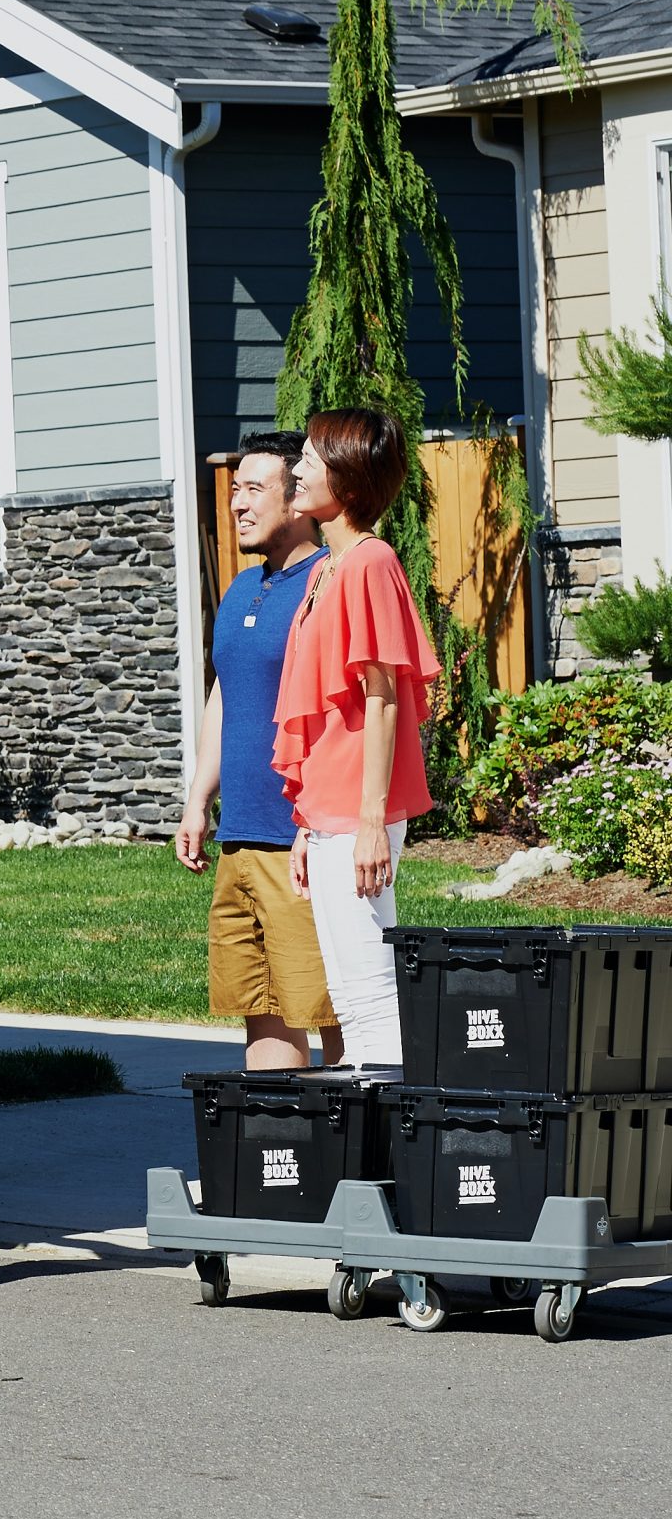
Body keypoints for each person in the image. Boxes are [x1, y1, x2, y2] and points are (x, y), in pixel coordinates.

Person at [274, 407, 441, 1071]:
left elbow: (383, 694)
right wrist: (306, 823)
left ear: (344, 479)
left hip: (361, 808)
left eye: (310, 459)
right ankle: (363, 1146)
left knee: (370, 989)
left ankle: (387, 1147)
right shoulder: (323, 571)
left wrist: (373, 821)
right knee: (346, 989)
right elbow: (325, 709)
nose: (296, 468)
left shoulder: (371, 561)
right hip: (331, 809)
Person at [177, 431, 340, 1069]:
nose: (238, 504)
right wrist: (199, 798)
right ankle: (284, 1152)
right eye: (235, 489)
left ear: (298, 498)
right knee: (263, 1006)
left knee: (330, 1009)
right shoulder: (243, 589)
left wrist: (314, 821)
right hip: (240, 837)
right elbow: (227, 694)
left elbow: (344, 714)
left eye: (254, 489)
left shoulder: (327, 584)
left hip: (301, 841)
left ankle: (354, 1154)